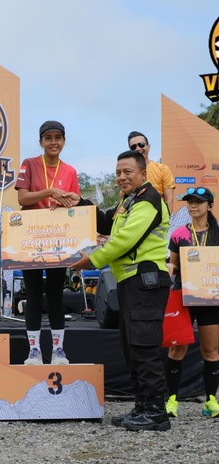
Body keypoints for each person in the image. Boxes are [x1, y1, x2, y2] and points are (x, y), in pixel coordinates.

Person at [69, 150, 172, 431]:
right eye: (117, 173)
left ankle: (156, 412)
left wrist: (93, 259)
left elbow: (125, 239)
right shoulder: (129, 201)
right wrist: (80, 203)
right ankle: (142, 406)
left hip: (146, 281)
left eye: (128, 172)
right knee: (132, 347)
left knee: (144, 346)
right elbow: (107, 223)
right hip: (131, 282)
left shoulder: (149, 199)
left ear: (143, 173)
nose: (122, 177)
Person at [16, 120, 80, 365]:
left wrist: (67, 201)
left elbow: (74, 205)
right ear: (41, 141)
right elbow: (22, 198)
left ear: (64, 141)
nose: (53, 142)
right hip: (31, 238)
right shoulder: (30, 164)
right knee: (33, 294)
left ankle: (58, 350)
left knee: (55, 295)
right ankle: (33, 351)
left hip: (57, 239)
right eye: (48, 138)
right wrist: (50, 192)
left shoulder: (70, 171)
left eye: (58, 138)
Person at [165, 186, 219, 419]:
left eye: (198, 202)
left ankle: (211, 401)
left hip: (210, 297)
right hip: (184, 296)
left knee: (211, 351)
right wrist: (170, 267)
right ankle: (172, 400)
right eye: (190, 202)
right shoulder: (179, 234)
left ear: (209, 205)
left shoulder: (217, 233)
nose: (193, 206)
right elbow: (174, 264)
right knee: (177, 349)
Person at [127, 131, 175, 213]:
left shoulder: (162, 169)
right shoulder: (127, 173)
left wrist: (166, 218)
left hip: (157, 217)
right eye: (133, 147)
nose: (138, 148)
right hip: (135, 216)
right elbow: (123, 198)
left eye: (141, 144)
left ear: (148, 147)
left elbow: (169, 199)